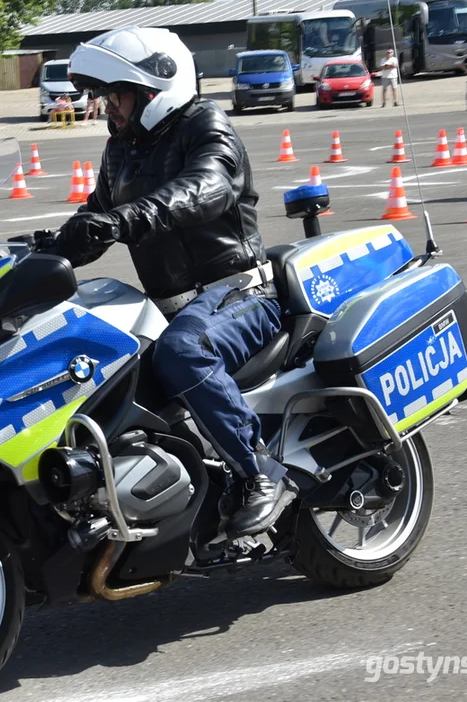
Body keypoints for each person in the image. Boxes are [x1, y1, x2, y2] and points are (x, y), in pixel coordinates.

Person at [43, 26, 295, 538]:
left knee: (181, 352)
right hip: (171, 306)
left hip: (237, 292)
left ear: (156, 89)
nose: (108, 108)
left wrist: (126, 218)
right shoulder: (121, 150)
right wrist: (36, 253)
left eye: (116, 95)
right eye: (106, 97)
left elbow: (209, 186)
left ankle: (257, 469)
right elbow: (95, 221)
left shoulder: (206, 124)